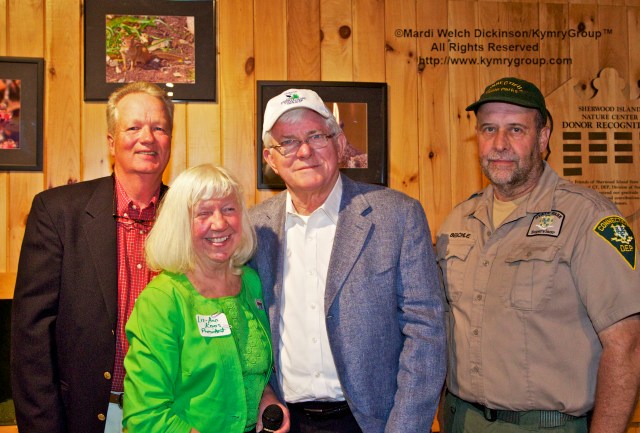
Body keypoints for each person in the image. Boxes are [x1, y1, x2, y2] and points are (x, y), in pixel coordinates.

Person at [436, 77, 640, 433]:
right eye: (489, 129)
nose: (499, 144)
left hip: (546, 425)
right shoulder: (458, 220)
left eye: (516, 129)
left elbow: (627, 345)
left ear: (543, 138)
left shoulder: (588, 218)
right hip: (461, 420)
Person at [250, 88, 446, 433]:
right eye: (288, 142)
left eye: (316, 136)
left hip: (372, 423)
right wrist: (263, 393)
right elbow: (247, 327)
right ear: (271, 158)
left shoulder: (397, 216)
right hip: (284, 422)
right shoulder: (254, 228)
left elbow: (425, 333)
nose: (305, 151)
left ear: (340, 143)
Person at [11, 81, 174, 433]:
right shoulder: (58, 212)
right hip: (87, 416)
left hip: (172, 415)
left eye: (159, 127)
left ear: (169, 141)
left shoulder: (192, 216)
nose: (147, 137)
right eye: (133, 127)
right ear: (112, 143)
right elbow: (31, 338)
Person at [122, 164, 289, 433]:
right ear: (180, 225)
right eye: (203, 213)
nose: (219, 223)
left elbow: (250, 370)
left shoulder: (251, 283)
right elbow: (144, 416)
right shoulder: (162, 300)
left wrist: (267, 399)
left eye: (228, 209)